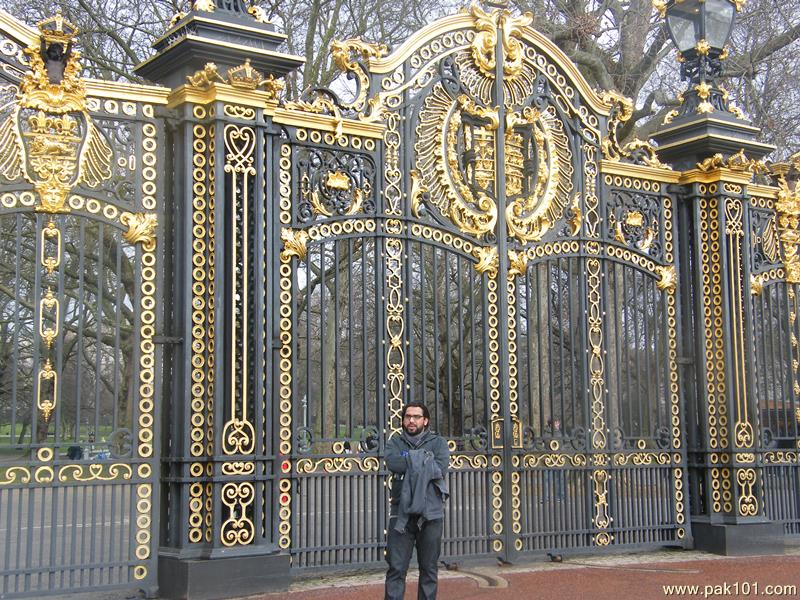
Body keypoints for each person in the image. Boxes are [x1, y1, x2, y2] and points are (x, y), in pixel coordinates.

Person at [384, 402, 449, 600]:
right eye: (408, 416)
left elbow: (440, 468)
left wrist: (410, 460)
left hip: (431, 515)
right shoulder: (395, 442)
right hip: (401, 514)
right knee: (396, 569)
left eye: (416, 417)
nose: (411, 420)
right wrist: (424, 459)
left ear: (425, 420)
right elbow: (393, 462)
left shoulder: (438, 443)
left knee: (429, 569)